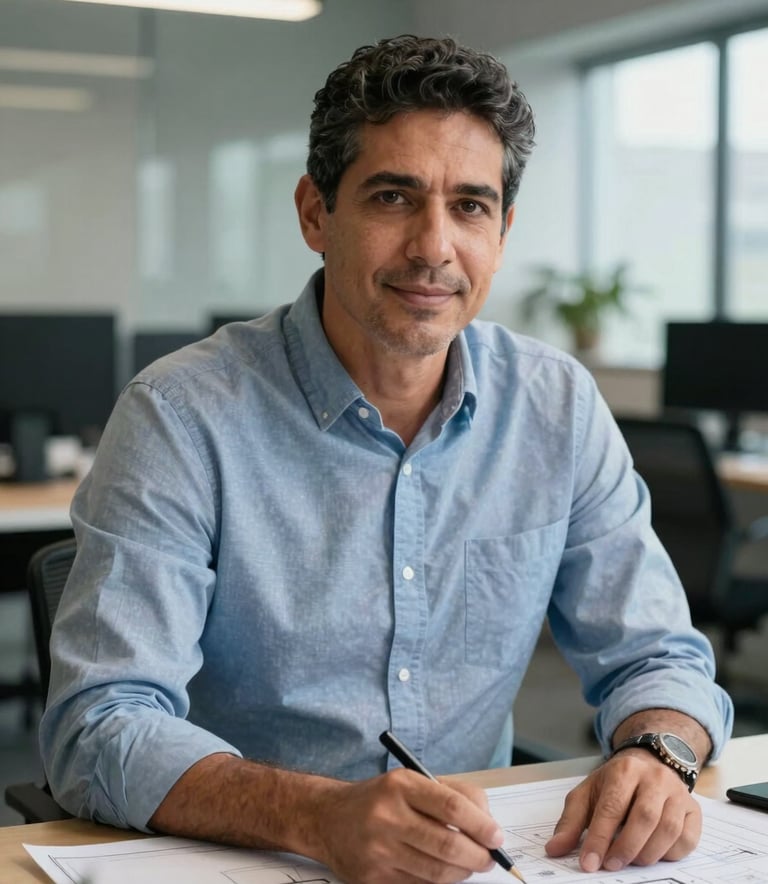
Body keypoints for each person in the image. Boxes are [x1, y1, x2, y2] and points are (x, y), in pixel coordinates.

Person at [41, 34, 732, 884]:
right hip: (248, 861)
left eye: (470, 206)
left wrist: (659, 753)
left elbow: (658, 656)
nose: (434, 247)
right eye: (394, 197)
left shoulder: (555, 406)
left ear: (502, 233)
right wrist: (315, 815)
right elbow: (100, 724)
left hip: (480, 863)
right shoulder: (181, 415)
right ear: (315, 213)